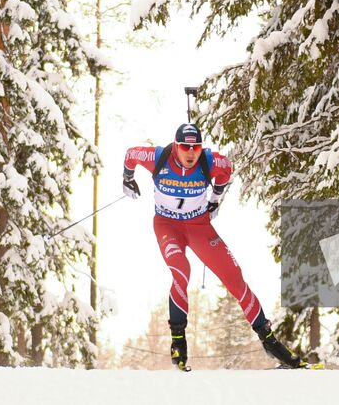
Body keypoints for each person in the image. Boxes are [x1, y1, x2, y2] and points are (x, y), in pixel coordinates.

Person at [122, 122, 305, 370]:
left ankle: (269, 339)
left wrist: (215, 199)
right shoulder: (158, 157)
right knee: (180, 269)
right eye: (185, 147)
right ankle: (178, 341)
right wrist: (128, 179)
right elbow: (131, 155)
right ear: (176, 146)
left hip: (199, 227)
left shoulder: (210, 162)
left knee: (233, 275)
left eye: (195, 148)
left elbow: (227, 171)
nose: (190, 153)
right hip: (167, 226)